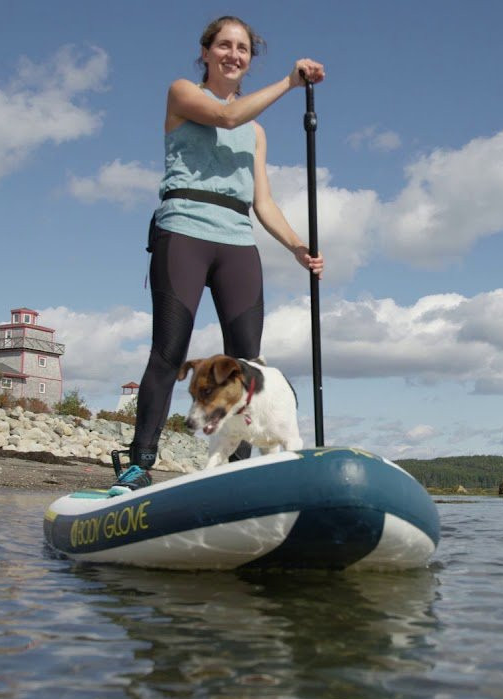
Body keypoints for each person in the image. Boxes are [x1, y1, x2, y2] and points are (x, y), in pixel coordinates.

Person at [114, 16, 326, 488]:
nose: (234, 54)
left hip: (237, 242)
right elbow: (227, 116)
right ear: (206, 52)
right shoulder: (182, 93)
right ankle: (139, 464)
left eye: (243, 48)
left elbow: (263, 202)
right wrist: (290, 83)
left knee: (247, 361)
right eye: (225, 45)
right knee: (168, 353)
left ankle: (239, 468)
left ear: (249, 59)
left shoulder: (257, 134)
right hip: (183, 232)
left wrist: (298, 246)